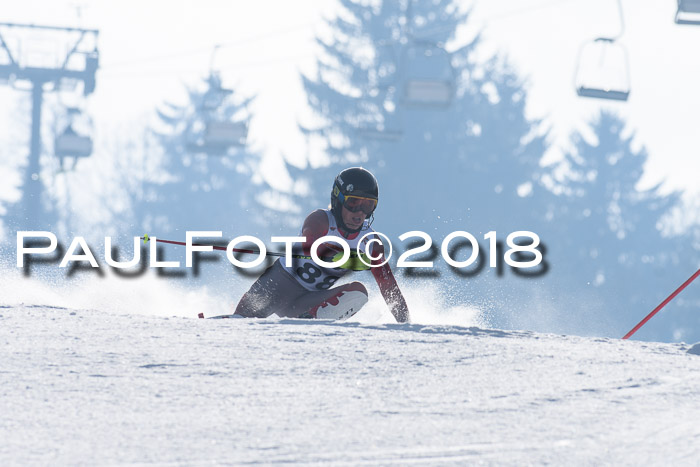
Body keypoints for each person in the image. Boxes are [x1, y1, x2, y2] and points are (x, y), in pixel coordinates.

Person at [234, 167, 410, 322]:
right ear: (338, 199)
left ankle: (309, 321)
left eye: (368, 206)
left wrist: (406, 324)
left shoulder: (370, 242)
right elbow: (311, 247)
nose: (360, 213)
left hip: (308, 301)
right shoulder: (320, 220)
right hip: (278, 286)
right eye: (353, 203)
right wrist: (350, 260)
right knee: (240, 321)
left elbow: (389, 289)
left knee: (358, 292)